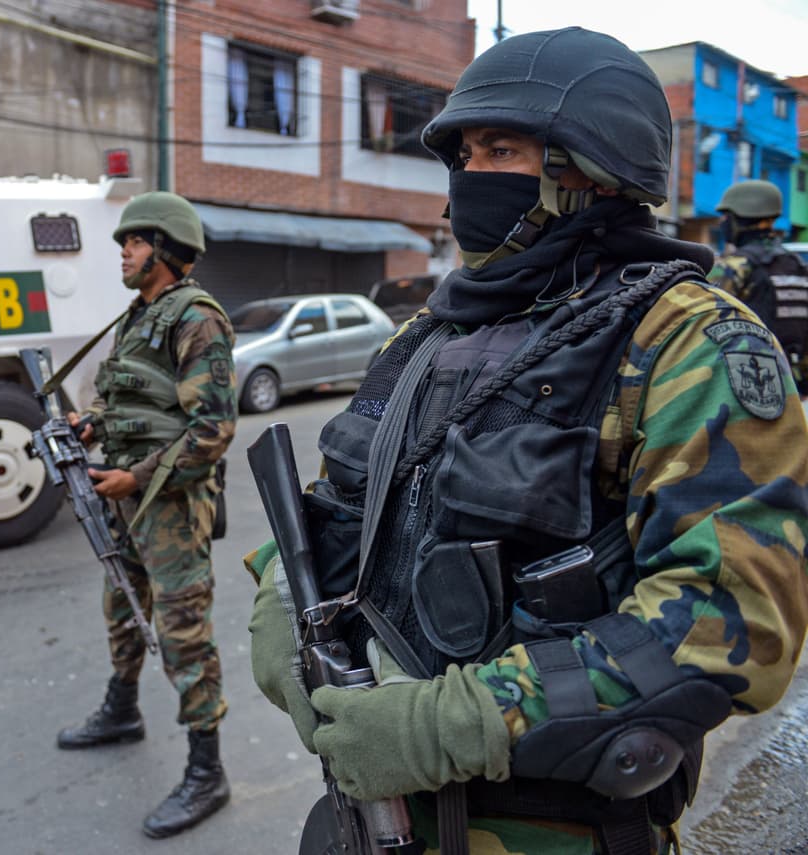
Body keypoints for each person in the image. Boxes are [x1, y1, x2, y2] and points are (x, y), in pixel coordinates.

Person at [247, 28, 808, 855]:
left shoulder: (689, 342)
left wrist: (461, 722)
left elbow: (736, 619)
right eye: (464, 152)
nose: (469, 176)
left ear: (593, 167)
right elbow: (342, 507)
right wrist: (274, 602)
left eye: (500, 147)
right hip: (374, 817)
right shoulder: (425, 340)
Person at [55, 191, 238, 839]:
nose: (123, 254)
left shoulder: (196, 318)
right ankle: (122, 708)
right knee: (121, 606)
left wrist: (138, 475)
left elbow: (213, 427)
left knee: (184, 630)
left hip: (172, 501)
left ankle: (206, 768)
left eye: (133, 243)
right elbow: (129, 395)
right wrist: (89, 426)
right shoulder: (139, 317)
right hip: (126, 497)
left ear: (163, 248)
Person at [708, 179, 808, 395]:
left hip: (748, 382)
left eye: (727, 216)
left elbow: (704, 323)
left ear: (738, 218)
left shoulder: (735, 266)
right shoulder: (796, 264)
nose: (723, 222)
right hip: (793, 382)